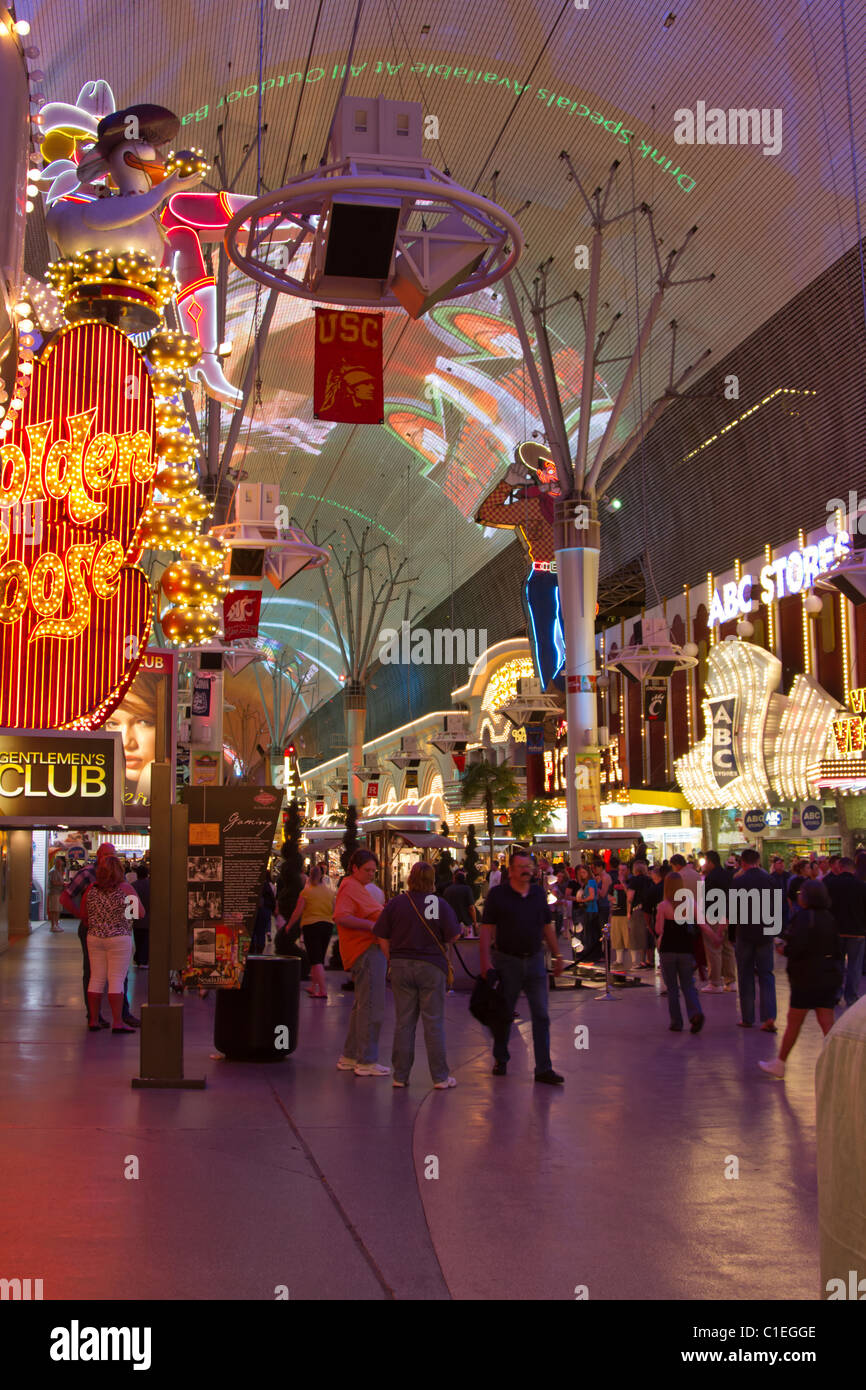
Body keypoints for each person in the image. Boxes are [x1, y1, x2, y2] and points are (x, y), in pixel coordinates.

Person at [480, 850, 565, 1083]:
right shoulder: (498, 895)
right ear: (511, 870)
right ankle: (501, 1057)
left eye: (529, 866)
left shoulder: (538, 894)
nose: (526, 870)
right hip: (507, 961)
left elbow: (547, 925)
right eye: (521, 866)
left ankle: (543, 1068)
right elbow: (486, 928)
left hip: (535, 960)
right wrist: (485, 961)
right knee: (504, 1014)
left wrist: (557, 954)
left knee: (541, 1014)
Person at [374, 861, 461, 1089]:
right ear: (432, 880)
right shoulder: (436, 903)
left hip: (401, 966)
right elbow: (453, 936)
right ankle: (440, 1077)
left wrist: (391, 958)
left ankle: (400, 1076)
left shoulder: (398, 903)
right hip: (431, 966)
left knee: (404, 1022)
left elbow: (381, 935)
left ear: (410, 878)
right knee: (433, 1023)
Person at [759, 879, 843, 1078]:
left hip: (805, 978)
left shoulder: (802, 918)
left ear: (806, 896)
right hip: (827, 976)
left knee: (794, 1022)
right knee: (827, 1023)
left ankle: (780, 1063)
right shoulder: (829, 918)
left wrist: (783, 949)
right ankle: (840, 1065)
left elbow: (797, 947)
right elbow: (837, 948)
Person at [67, 843, 140, 1029]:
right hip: (119, 938)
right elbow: (139, 913)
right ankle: (118, 1021)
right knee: (116, 979)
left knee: (96, 978)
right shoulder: (125, 889)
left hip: (95, 937)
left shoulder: (91, 889)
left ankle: (93, 1019)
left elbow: (84, 914)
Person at [334, 850, 389, 1076]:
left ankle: (350, 1056)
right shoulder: (350, 888)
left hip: (365, 949)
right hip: (366, 950)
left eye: (373, 871)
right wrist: (371, 927)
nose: (371, 874)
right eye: (367, 870)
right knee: (371, 1006)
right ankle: (366, 1060)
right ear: (354, 868)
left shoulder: (354, 887)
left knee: (362, 1005)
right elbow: (341, 916)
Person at [732, 848, 777, 1031]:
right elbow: (778, 907)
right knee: (766, 975)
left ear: (742, 863)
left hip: (745, 934)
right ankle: (769, 1018)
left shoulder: (738, 882)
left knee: (745, 975)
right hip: (765, 934)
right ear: (758, 861)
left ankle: (748, 1017)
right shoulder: (770, 880)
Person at [655, 872, 704, 1033]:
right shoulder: (690, 903)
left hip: (668, 950)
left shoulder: (663, 906)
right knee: (688, 984)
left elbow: (658, 929)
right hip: (685, 949)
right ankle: (695, 1012)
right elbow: (702, 924)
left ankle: (676, 1022)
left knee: (672, 988)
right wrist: (715, 937)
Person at [285, 865, 336, 999]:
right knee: (318, 957)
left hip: (311, 925)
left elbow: (298, 911)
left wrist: (289, 925)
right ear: (322, 876)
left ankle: (323, 990)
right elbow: (334, 910)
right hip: (327, 925)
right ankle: (314, 986)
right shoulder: (329, 892)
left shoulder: (306, 892)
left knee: (315, 959)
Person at [823, 856, 866, 1009]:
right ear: (853, 869)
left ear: (840, 867)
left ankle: (835, 994)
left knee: (836, 964)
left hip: (835, 932)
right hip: (857, 932)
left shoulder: (829, 884)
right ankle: (851, 997)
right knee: (855, 966)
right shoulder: (862, 886)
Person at [701, 850, 737, 993]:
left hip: (714, 916)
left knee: (713, 949)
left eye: (705, 862)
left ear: (710, 862)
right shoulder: (728, 875)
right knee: (728, 948)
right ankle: (731, 981)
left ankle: (715, 982)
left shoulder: (711, 878)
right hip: (728, 916)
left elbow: (708, 899)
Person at [626, 860, 653, 969]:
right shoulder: (649, 880)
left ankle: (640, 961)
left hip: (637, 910)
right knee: (648, 934)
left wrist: (628, 912)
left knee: (638, 936)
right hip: (649, 909)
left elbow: (630, 898)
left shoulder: (634, 880)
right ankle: (649, 960)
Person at [443, 869, 477, 937]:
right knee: (467, 945)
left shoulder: (447, 890)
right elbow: (471, 908)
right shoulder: (467, 889)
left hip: (451, 923)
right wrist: (475, 922)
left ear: (454, 879)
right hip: (466, 923)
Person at [608, 865, 630, 969]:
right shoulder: (614, 883)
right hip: (616, 913)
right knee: (617, 937)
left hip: (626, 913)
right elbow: (609, 894)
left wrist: (623, 883)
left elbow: (629, 894)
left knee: (628, 938)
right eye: (619, 870)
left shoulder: (630, 882)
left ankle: (631, 960)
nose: (620, 872)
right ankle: (619, 959)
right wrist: (610, 899)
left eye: (623, 870)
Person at [132, 863, 150, 967]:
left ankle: (138, 958)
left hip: (137, 919)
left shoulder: (133, 886)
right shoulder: (152, 885)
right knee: (146, 940)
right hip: (149, 918)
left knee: (138, 939)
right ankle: (143, 960)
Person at [47, 855, 67, 933]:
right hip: (54, 893)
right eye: (60, 862)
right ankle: (53, 925)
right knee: (54, 909)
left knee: (58, 909)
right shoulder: (53, 871)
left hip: (58, 893)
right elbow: (53, 882)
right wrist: (62, 883)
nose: (61, 864)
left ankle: (56, 924)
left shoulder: (59, 871)